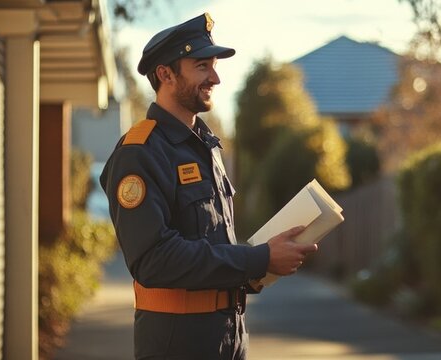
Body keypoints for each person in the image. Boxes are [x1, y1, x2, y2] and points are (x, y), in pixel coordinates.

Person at [99, 12, 318, 359]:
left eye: (214, 66)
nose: (215, 77)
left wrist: (263, 261)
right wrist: (260, 257)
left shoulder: (207, 146)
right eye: (202, 66)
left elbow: (213, 245)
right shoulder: (138, 154)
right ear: (165, 74)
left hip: (228, 338)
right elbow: (155, 259)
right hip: (177, 344)